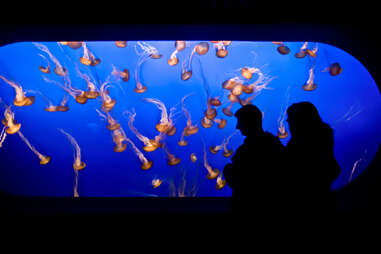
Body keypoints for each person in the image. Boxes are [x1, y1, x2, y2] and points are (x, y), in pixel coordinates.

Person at [223, 104, 287, 216]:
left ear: (249, 123)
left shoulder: (249, 149)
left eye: (240, 122)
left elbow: (242, 183)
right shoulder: (274, 143)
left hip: (250, 208)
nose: (237, 127)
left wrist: (227, 170)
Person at [285, 102, 341, 216]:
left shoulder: (298, 143)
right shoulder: (325, 133)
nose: (288, 124)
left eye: (290, 120)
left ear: (299, 120)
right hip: (325, 196)